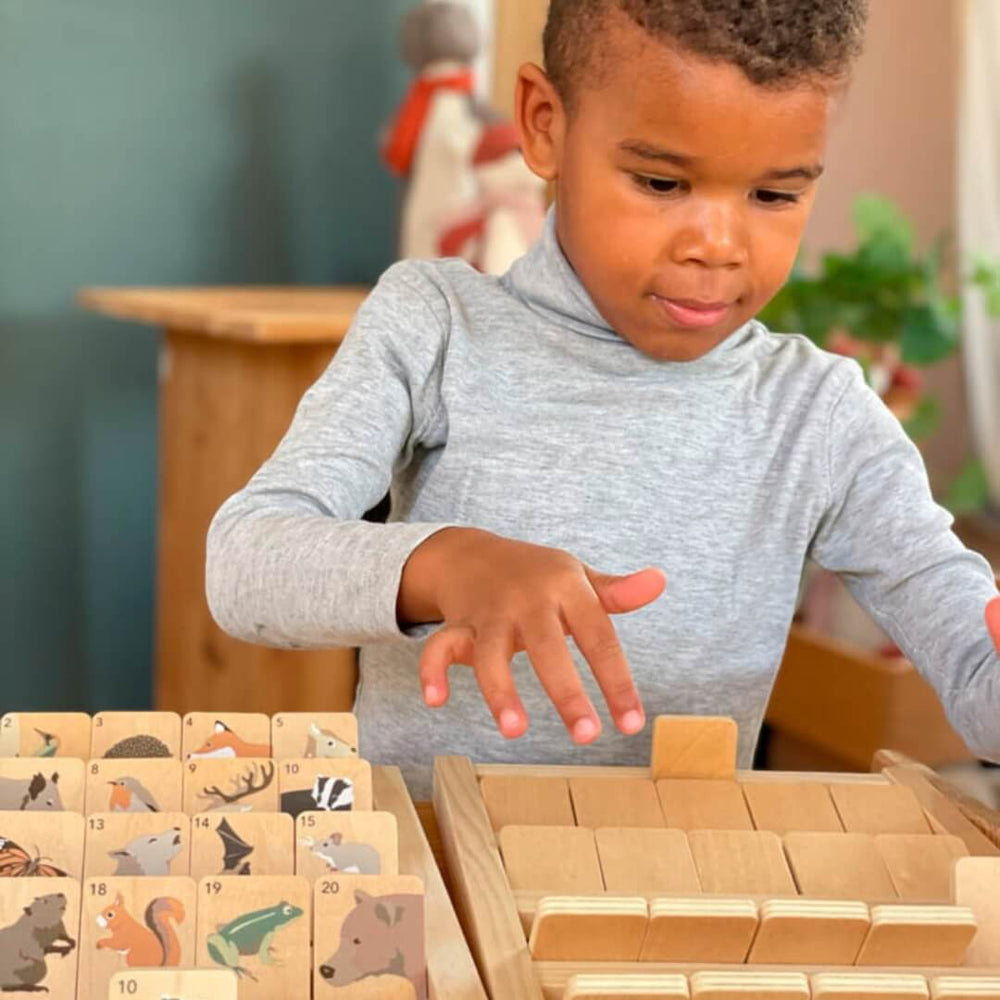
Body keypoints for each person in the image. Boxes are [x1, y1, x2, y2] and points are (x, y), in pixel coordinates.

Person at [206, 0, 1000, 798]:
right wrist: (446, 564)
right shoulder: (436, 327)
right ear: (545, 124)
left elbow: (973, 664)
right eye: (661, 181)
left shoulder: (819, 414)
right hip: (427, 885)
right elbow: (245, 564)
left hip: (668, 898)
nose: (717, 247)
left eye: (774, 196)